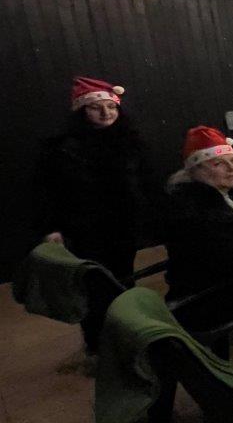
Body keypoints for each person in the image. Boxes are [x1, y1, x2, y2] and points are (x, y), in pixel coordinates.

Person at [40, 77, 152, 285]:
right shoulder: (62, 148)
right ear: (81, 110)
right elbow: (49, 191)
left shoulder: (131, 143)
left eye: (111, 106)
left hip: (125, 226)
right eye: (95, 107)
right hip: (85, 230)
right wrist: (52, 228)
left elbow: (146, 181)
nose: (106, 112)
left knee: (124, 278)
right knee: (95, 281)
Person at [163, 126, 233, 333]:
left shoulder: (229, 194)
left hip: (229, 278)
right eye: (218, 164)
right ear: (195, 171)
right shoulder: (194, 211)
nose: (232, 168)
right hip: (208, 296)